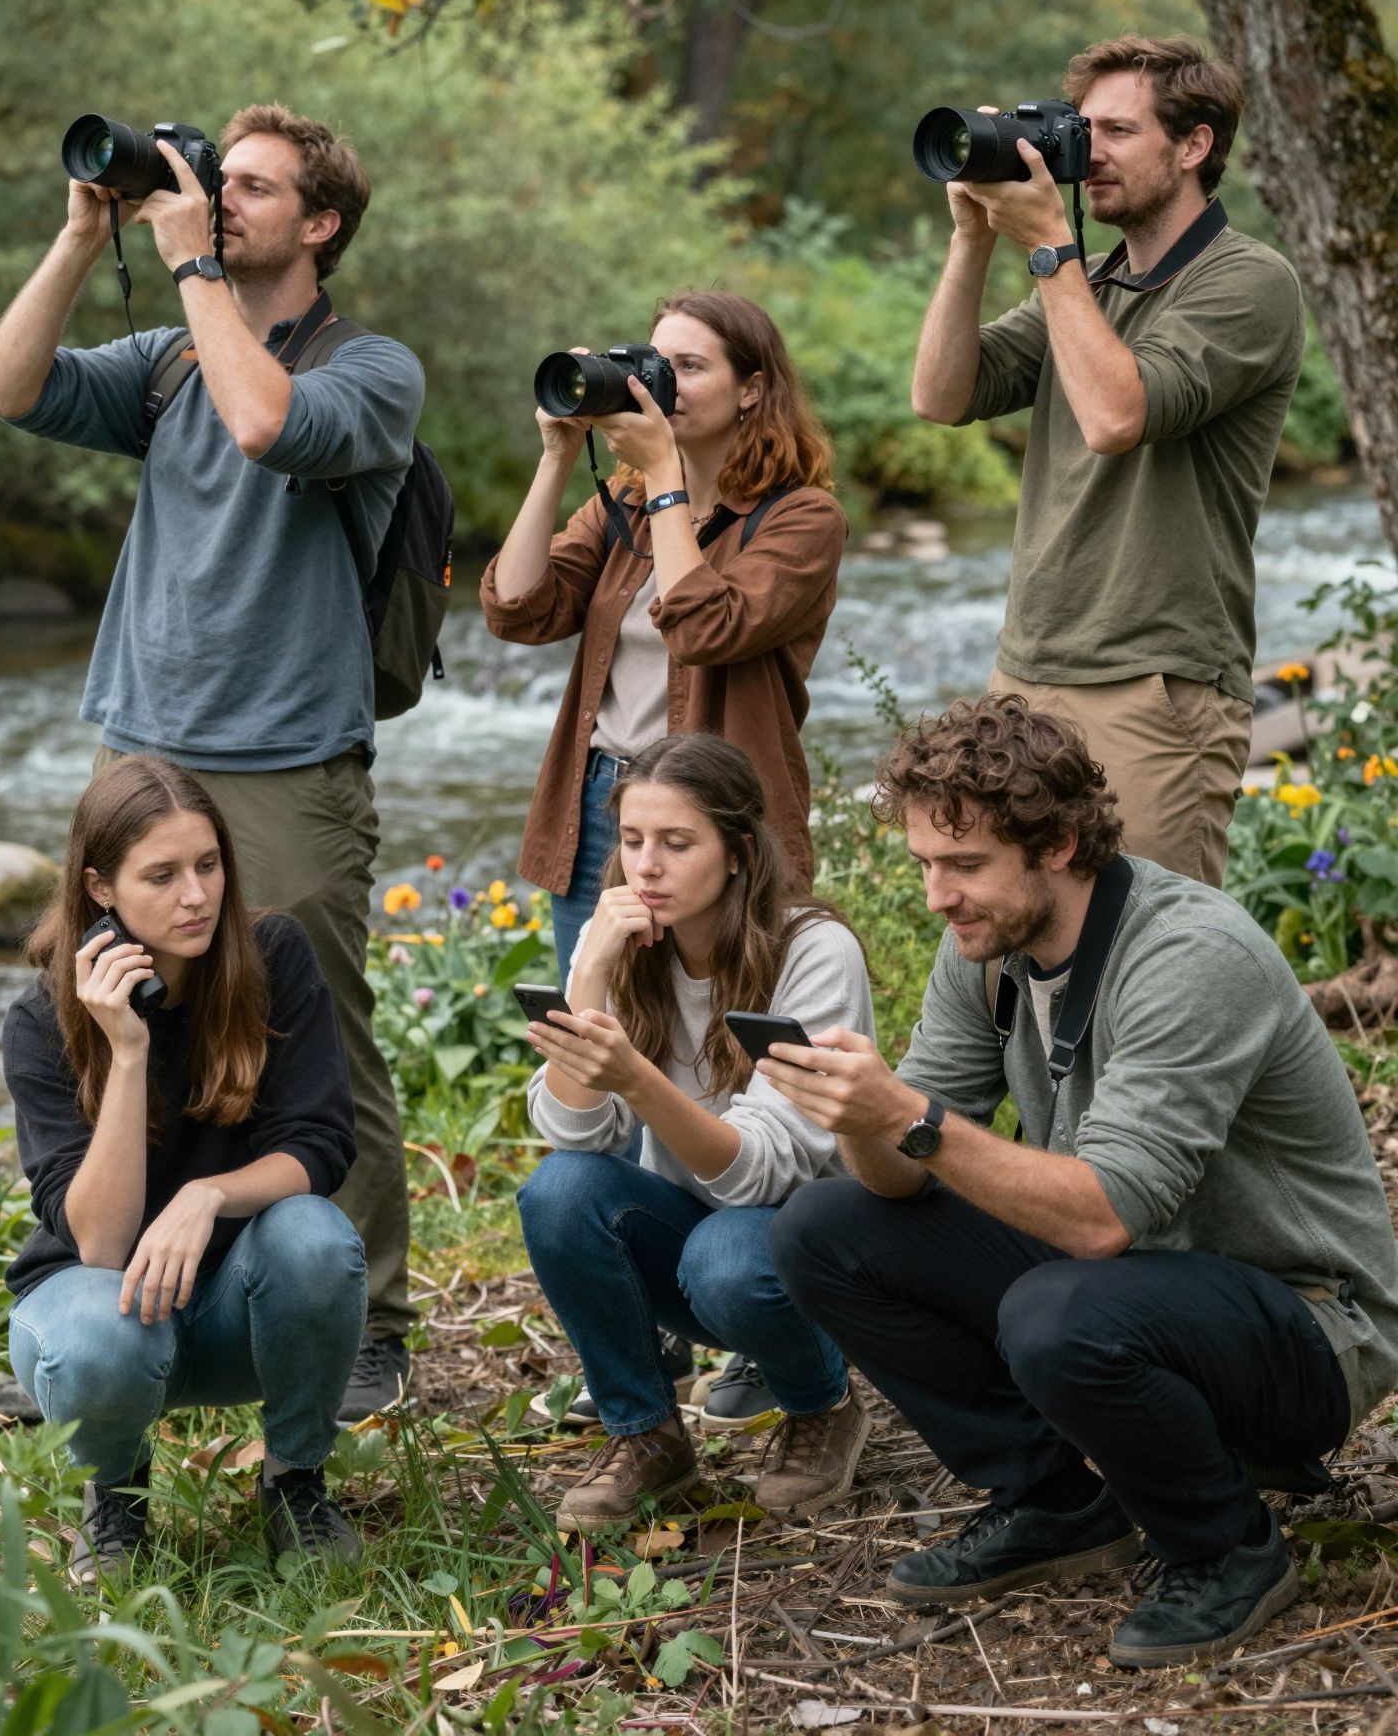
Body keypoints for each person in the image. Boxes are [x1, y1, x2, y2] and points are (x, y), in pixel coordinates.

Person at [762, 695, 1398, 1669]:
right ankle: (1056, 1498)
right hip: (1135, 1279)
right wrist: (861, 1119)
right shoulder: (983, 946)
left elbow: (1100, 1218)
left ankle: (1227, 1547)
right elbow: (899, 1181)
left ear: (1058, 843)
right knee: (824, 1225)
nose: (937, 894)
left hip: (1309, 1321)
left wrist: (907, 1115)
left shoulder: (1188, 954)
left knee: (1057, 1309)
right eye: (926, 862)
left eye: (964, 865)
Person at [0, 103, 420, 1420]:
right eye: (215, 184)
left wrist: (188, 268)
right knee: (96, 1007)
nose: (221, 203)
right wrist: (77, 239)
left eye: (256, 190)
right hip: (146, 748)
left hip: (287, 757)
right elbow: (6, 388)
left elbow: (266, 424)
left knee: (318, 1027)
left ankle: (367, 1319)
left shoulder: (372, 369)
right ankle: (86, 1292)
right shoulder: (170, 357)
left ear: (321, 223)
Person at [484, 292, 845, 1429]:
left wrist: (672, 487)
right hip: (604, 806)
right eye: (652, 361)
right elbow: (512, 604)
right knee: (610, 1042)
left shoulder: (801, 517)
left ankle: (758, 1311)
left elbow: (705, 624)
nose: (660, 383)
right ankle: (638, 1358)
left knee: (737, 1064)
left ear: (751, 386)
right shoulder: (627, 500)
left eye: (686, 366)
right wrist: (558, 460)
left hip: (727, 825)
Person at [911, 37, 1304, 886]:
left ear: (1194, 144)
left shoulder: (1250, 282)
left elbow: (1115, 415)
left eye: (1119, 131)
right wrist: (973, 238)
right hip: (1026, 670)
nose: (1089, 154)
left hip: (1154, 688)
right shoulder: (1090, 282)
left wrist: (1053, 248)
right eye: (1081, 131)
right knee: (1013, 948)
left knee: (1150, 962)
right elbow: (941, 397)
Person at [2, 754, 368, 1586]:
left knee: (314, 1238)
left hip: (242, 1311)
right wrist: (126, 1052)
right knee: (101, 1332)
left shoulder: (273, 954)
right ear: (101, 889)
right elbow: (99, 1242)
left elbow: (321, 1144)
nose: (196, 895)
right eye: (161, 876)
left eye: (208, 865)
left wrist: (209, 1195)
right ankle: (116, 1496)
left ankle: (296, 1481)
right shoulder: (40, 1019)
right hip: (104, 1315)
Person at [517, 734, 875, 1530]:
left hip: (798, 1250)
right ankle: (645, 1434)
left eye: (678, 844)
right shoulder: (627, 948)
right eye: (634, 842)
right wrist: (589, 977)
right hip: (690, 1241)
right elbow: (572, 1132)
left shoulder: (811, 950)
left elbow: (762, 1174)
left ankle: (823, 1405)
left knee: (726, 1260)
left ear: (739, 852)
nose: (646, 867)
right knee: (557, 1192)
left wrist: (636, 1078)